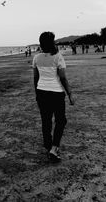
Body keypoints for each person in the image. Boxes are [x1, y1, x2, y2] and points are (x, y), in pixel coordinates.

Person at [33, 32, 75, 161]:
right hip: (56, 93)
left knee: (46, 121)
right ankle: (54, 148)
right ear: (52, 42)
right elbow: (63, 78)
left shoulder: (37, 58)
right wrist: (70, 94)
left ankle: (48, 145)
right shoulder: (58, 57)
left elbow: (36, 78)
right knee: (61, 120)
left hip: (41, 92)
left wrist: (37, 93)